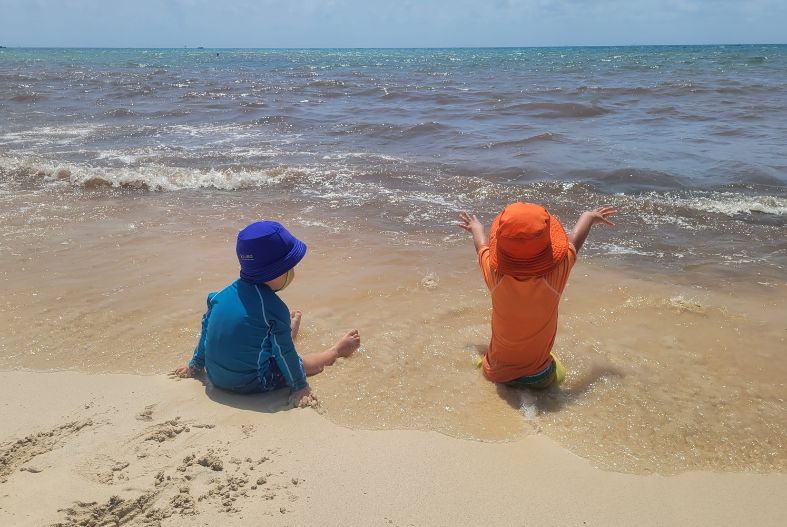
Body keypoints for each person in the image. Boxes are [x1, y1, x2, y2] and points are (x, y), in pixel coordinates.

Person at [174, 221, 361, 407]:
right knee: (298, 361)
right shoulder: (273, 308)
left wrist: (194, 365)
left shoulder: (218, 297)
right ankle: (336, 351)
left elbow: (206, 333)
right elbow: (286, 354)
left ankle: (287, 331)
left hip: (216, 378)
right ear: (277, 271)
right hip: (251, 384)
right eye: (291, 267)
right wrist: (299, 386)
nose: (293, 272)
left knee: (266, 336)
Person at [458, 203, 616, 389]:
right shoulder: (556, 275)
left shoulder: (495, 275)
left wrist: (476, 229)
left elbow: (481, 247)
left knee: (488, 357)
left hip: (496, 374)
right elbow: (575, 240)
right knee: (558, 370)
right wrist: (589, 216)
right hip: (538, 378)